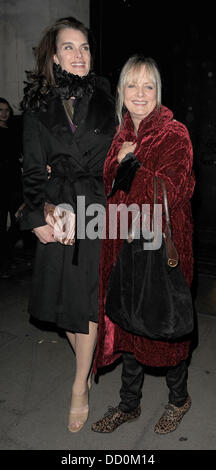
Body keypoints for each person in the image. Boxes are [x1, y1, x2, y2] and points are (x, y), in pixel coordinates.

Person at [20, 16, 116, 432]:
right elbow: (31, 171)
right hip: (59, 208)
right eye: (69, 48)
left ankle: (79, 385)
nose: (79, 55)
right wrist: (36, 215)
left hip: (97, 207)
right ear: (54, 56)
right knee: (63, 305)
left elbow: (130, 132)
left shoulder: (106, 95)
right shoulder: (38, 108)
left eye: (85, 48)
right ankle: (85, 362)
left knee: (88, 296)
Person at [91, 55, 195, 434]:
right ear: (120, 92)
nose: (139, 93)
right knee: (128, 324)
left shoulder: (174, 134)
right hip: (123, 246)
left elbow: (171, 190)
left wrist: (129, 164)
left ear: (158, 91)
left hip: (161, 248)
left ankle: (178, 398)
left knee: (165, 325)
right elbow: (107, 187)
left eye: (147, 85)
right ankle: (128, 404)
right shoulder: (120, 136)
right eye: (131, 85)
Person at [0, 98, 23, 277]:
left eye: (7, 110)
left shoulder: (13, 131)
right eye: (1, 110)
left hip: (15, 184)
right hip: (2, 186)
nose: (4, 113)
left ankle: (7, 255)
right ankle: (4, 262)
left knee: (19, 221)